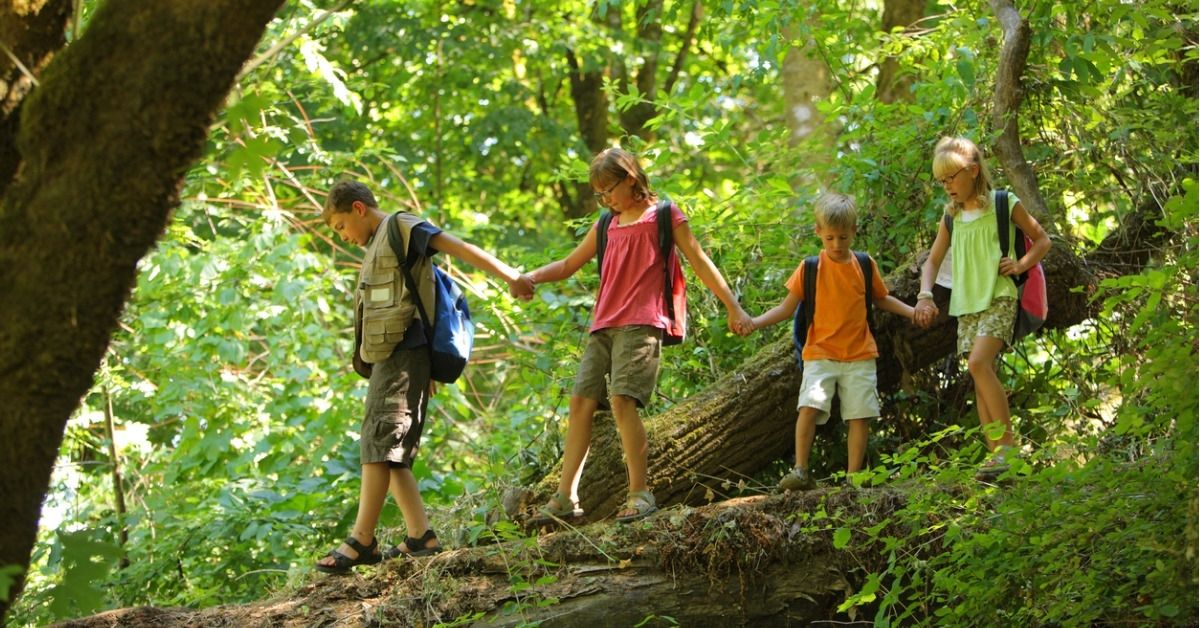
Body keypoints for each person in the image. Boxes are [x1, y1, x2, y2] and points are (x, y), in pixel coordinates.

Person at [521, 147, 752, 522]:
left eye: (608, 189)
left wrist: (733, 307)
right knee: (580, 404)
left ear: (631, 177)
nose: (605, 198)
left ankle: (640, 494)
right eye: (599, 193)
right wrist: (531, 277)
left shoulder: (664, 216)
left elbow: (699, 260)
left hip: (643, 321)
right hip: (603, 324)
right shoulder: (605, 224)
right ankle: (565, 497)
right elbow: (567, 264)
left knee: (621, 401)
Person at [316, 180, 534, 574]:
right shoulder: (377, 245)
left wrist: (510, 275)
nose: (344, 237)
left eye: (341, 226)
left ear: (359, 209)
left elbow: (458, 247)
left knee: (380, 441)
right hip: (392, 357)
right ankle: (421, 537)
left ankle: (362, 540)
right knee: (387, 445)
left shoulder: (401, 228)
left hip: (404, 352)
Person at [745, 192, 914, 490]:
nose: (837, 245)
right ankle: (800, 470)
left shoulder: (864, 264)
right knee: (808, 407)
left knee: (859, 415)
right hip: (819, 354)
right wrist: (753, 322)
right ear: (818, 232)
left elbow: (882, 298)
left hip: (860, 354)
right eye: (831, 238)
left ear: (854, 232)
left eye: (844, 238)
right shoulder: (810, 268)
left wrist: (913, 312)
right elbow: (786, 309)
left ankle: (853, 477)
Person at [912, 136, 1050, 480]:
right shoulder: (951, 218)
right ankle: (996, 458)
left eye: (952, 178)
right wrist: (925, 294)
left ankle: (1008, 450)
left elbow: (1043, 239)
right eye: (941, 181)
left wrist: (1020, 265)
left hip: (1000, 296)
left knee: (979, 363)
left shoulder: (1003, 203)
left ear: (973, 171)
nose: (947, 187)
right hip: (967, 305)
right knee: (978, 373)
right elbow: (932, 262)